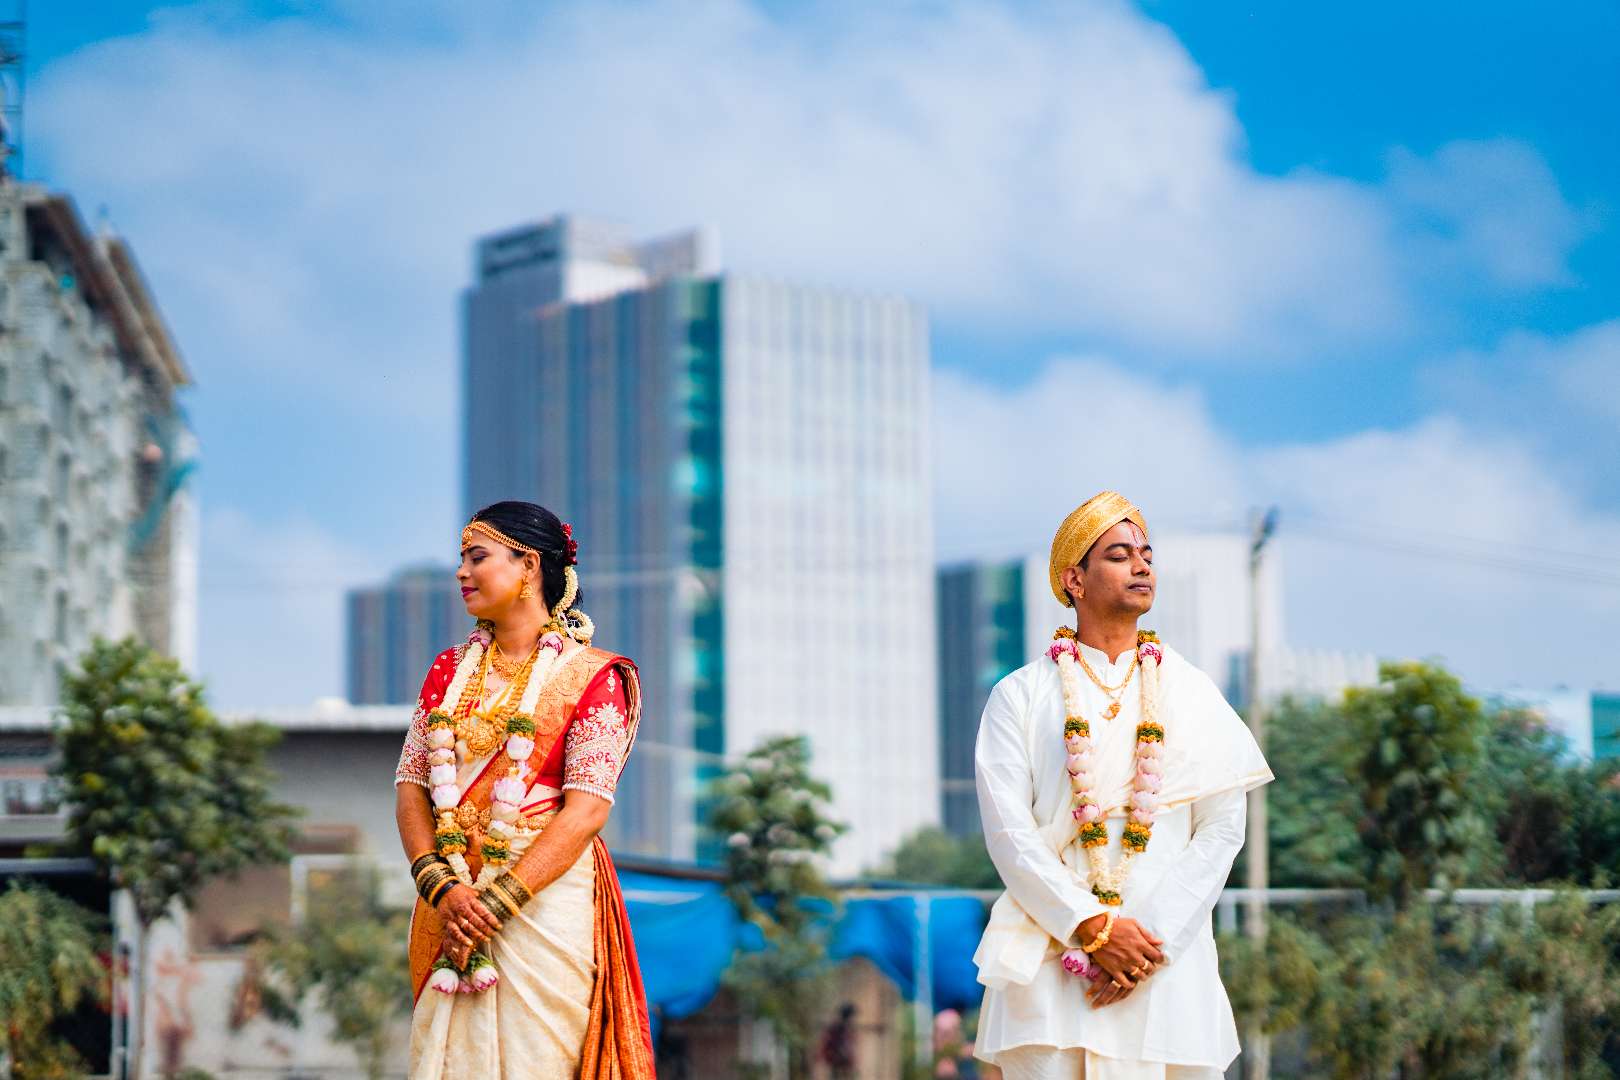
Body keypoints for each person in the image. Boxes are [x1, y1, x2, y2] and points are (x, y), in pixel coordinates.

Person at [971, 492, 1273, 1079]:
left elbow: (1221, 829)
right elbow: (1009, 833)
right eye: (1118, 554)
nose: (1141, 566)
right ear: (1074, 580)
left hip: (1165, 964)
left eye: (1146, 555)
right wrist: (1089, 926)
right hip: (1055, 962)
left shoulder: (1192, 692)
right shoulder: (1020, 696)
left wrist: (1143, 943)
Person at [394, 501, 656, 1078]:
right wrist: (443, 888)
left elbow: (586, 812)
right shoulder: (448, 671)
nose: (462, 572)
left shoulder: (592, 676)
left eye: (477, 557)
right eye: (461, 560)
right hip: (450, 897)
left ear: (529, 565)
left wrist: (495, 903)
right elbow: (411, 788)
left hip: (543, 903)